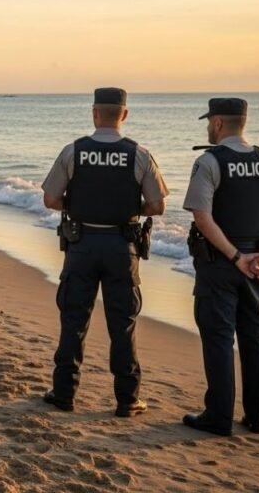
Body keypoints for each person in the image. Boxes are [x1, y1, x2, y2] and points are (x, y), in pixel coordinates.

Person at [40, 87, 169, 417]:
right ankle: (127, 399)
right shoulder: (138, 154)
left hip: (81, 246)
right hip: (121, 247)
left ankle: (64, 393)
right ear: (124, 115)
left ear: (94, 112)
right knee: (123, 325)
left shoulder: (74, 151)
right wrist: (126, 207)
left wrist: (82, 205)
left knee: (73, 321)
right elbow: (157, 205)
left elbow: (51, 199)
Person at [182, 98, 259, 436]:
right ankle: (258, 417)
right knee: (255, 337)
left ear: (217, 124)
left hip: (221, 263)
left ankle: (218, 417)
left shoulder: (210, 162)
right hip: (257, 266)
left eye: (209, 123)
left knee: (217, 337)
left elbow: (202, 216)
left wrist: (234, 257)